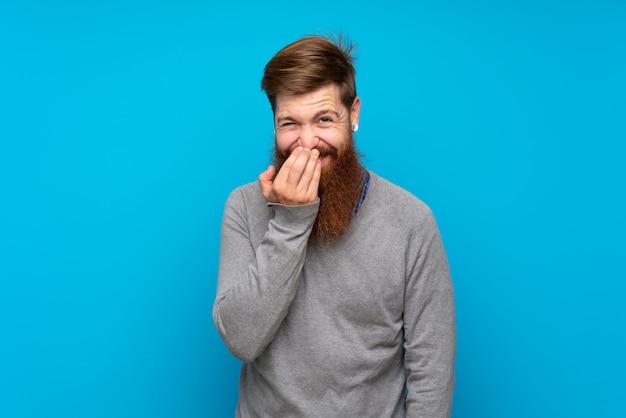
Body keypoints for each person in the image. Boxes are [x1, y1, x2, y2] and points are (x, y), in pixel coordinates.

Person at [213, 33, 456, 417]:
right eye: (289, 123)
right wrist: (289, 222)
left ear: (354, 114)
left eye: (324, 119)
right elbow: (242, 339)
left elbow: (432, 373)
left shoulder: (412, 222)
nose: (307, 143)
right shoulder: (244, 207)